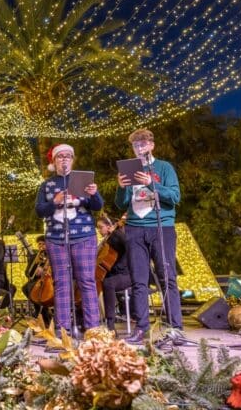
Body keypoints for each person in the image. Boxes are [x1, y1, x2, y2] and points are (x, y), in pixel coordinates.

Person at [115, 128, 182, 344]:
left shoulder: (164, 167)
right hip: (134, 227)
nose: (140, 147)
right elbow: (121, 204)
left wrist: (151, 183)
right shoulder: (130, 169)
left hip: (161, 226)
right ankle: (141, 328)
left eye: (143, 143)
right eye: (136, 145)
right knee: (138, 281)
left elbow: (174, 196)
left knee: (167, 277)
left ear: (152, 145)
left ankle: (175, 328)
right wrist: (121, 188)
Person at [35, 143, 103, 335]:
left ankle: (93, 330)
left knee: (87, 281)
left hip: (83, 236)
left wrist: (94, 193)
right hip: (56, 238)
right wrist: (54, 202)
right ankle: (62, 331)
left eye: (68, 156)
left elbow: (97, 206)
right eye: (60, 156)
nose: (64, 159)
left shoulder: (82, 180)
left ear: (72, 160)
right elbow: (39, 211)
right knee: (61, 283)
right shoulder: (47, 185)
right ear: (54, 161)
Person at [97, 214, 131, 333]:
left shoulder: (118, 236)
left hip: (127, 274)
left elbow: (128, 245)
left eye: (101, 227)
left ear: (109, 226)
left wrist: (115, 232)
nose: (99, 230)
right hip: (114, 274)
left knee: (108, 283)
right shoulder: (108, 240)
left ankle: (110, 324)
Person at [22, 235, 52, 326]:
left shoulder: (51, 255)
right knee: (25, 288)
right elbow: (28, 273)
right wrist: (35, 268)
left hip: (48, 281)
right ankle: (42, 312)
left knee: (34, 290)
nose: (41, 246)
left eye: (44, 244)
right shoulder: (35, 256)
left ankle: (41, 314)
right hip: (37, 281)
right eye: (39, 244)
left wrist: (44, 270)